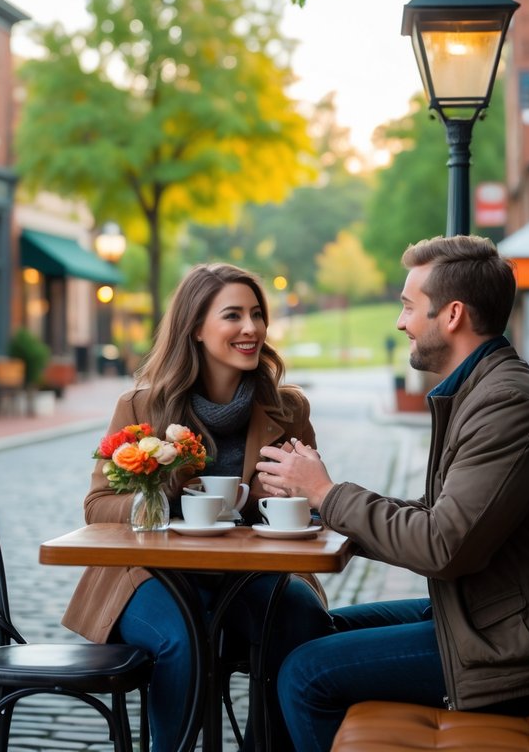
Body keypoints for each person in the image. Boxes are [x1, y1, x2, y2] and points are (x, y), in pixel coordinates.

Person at [255, 235, 529, 750]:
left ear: (453, 315)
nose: (401, 323)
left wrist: (328, 493)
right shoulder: (482, 392)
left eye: (408, 306)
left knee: (306, 674)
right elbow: (438, 520)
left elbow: (441, 546)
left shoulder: (507, 406)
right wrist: (324, 503)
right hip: (489, 617)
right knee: (299, 629)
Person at [62, 263, 333, 752]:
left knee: (303, 620)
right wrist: (157, 494)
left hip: (249, 575)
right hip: (151, 575)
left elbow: (312, 508)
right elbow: (98, 505)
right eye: (233, 315)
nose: (251, 328)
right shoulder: (142, 406)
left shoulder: (289, 408)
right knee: (180, 641)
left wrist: (294, 500)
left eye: (257, 314)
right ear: (195, 328)